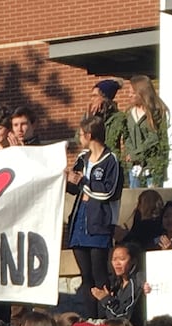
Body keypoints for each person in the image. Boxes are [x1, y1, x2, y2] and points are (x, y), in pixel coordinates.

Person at [67, 114, 124, 313]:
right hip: (80, 221)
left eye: (81, 134)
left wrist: (83, 181)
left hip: (99, 222)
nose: (79, 138)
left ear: (89, 135)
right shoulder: (82, 158)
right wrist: (69, 180)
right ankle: (89, 316)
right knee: (86, 277)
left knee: (100, 274)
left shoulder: (111, 160)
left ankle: (106, 314)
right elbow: (74, 188)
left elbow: (108, 191)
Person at [113, 75, 169, 186]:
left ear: (142, 93)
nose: (130, 95)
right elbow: (127, 136)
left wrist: (135, 154)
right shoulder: (129, 113)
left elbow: (153, 139)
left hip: (152, 166)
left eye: (133, 93)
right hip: (134, 167)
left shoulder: (156, 113)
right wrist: (129, 153)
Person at [92, 243, 147, 326]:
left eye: (122, 259)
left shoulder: (138, 281)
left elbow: (124, 317)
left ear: (133, 261)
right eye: (114, 259)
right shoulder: (116, 284)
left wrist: (106, 300)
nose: (117, 263)